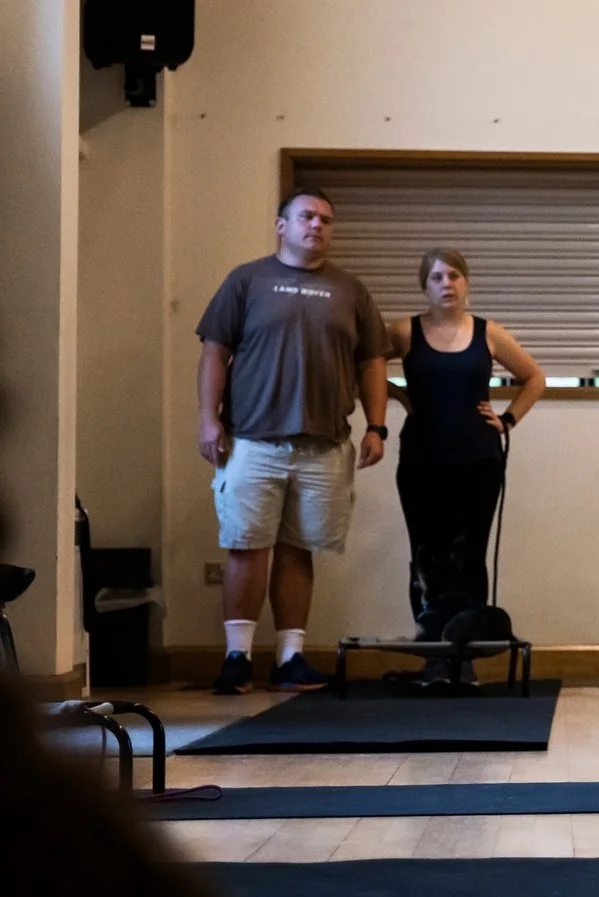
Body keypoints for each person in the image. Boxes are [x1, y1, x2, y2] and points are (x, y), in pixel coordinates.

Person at [195, 188, 389, 694]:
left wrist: (376, 424)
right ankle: (237, 657)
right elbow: (215, 350)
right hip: (251, 441)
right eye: (306, 216)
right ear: (282, 226)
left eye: (326, 218)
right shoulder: (247, 279)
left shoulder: (351, 290)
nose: (317, 225)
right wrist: (207, 419)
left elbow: (373, 361)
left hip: (324, 445)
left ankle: (290, 659)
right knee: (246, 547)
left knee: (299, 550)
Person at [386, 248, 546, 686]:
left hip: (478, 460)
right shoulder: (404, 332)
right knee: (426, 557)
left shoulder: (488, 333)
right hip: (421, 460)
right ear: (425, 286)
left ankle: (464, 659)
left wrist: (507, 419)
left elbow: (535, 378)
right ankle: (434, 658)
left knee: (468, 556)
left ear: (467, 284)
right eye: (437, 277)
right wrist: (398, 396)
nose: (447, 283)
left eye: (455, 275)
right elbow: (358, 362)